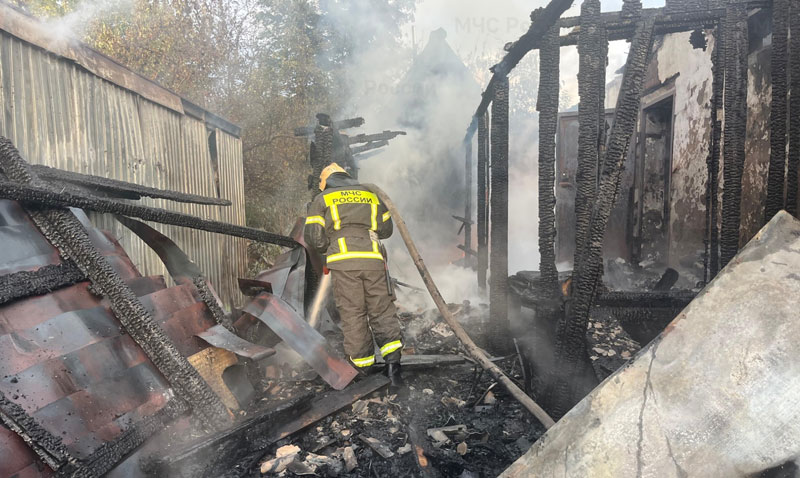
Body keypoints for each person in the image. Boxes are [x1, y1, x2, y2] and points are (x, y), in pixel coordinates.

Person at [304, 163, 404, 387]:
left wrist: (330, 246)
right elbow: (386, 230)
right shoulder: (370, 194)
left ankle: (363, 367)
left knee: (353, 313)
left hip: (344, 263)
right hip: (373, 260)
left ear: (325, 182)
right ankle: (394, 369)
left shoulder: (323, 199)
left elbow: (314, 237)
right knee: (382, 309)